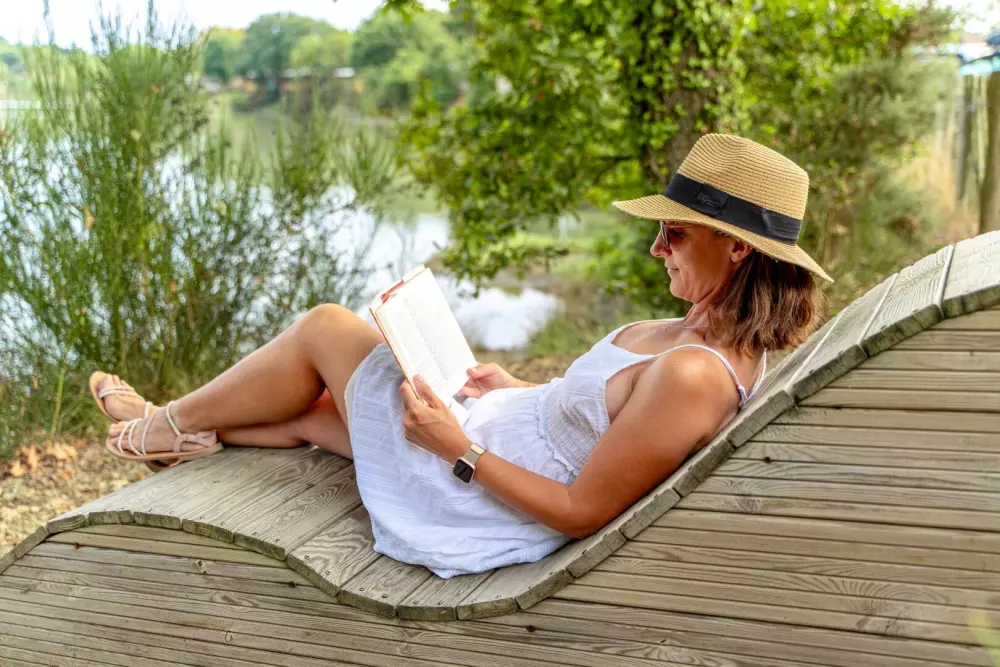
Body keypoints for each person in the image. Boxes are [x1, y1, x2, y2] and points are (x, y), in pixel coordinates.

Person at [90, 134, 830, 578]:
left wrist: (458, 447)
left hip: (475, 488)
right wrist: (521, 386)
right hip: (496, 430)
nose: (656, 247)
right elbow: (613, 419)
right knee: (312, 414)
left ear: (739, 248)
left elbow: (582, 511)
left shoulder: (697, 373)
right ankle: (183, 436)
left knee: (325, 329)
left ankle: (160, 423)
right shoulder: (697, 331)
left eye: (676, 233)